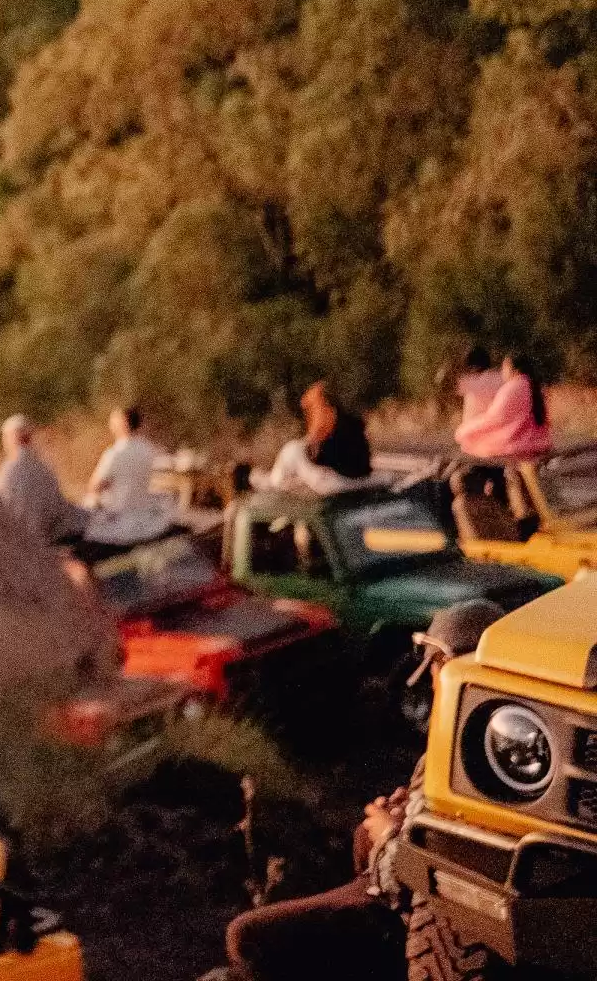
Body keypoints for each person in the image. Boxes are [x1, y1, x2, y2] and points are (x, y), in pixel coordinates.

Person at [219, 598, 503, 981]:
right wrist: (402, 812)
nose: (435, 684)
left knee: (247, 936)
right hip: (395, 888)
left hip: (407, 907)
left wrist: (387, 832)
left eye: (435, 669)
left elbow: (444, 869)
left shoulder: (469, 750)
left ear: (446, 665)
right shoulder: (496, 740)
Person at [80, 404, 175, 548]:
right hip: (142, 518)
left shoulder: (114, 454)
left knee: (87, 504)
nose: (110, 423)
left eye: (113, 420)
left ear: (122, 423)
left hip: (119, 520)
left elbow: (94, 486)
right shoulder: (148, 449)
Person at [261, 382, 373, 495]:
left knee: (295, 452)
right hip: (344, 472)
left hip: (334, 477)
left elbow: (316, 441)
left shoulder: (323, 421)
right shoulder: (343, 420)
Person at [0, 415, 87, 547]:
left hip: (33, 540)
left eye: (5, 437)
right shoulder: (42, 466)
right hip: (58, 533)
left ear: (12, 439)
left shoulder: (6, 473)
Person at [459, 350, 554, 460]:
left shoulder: (513, 387)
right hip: (538, 440)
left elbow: (494, 418)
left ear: (512, 367)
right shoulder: (532, 385)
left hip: (520, 444)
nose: (502, 371)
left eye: (504, 367)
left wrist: (465, 429)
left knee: (471, 441)